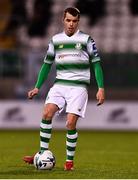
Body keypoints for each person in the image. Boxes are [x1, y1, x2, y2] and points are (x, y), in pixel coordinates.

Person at [23, 7, 105, 171]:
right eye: (68, 20)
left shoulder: (86, 40)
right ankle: (42, 154)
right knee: (46, 113)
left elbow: (96, 64)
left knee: (70, 123)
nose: (71, 24)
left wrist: (101, 88)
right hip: (60, 84)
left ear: (78, 21)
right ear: (63, 20)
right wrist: (37, 87)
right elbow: (46, 65)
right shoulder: (55, 40)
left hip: (78, 87)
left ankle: (69, 163)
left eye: (74, 21)